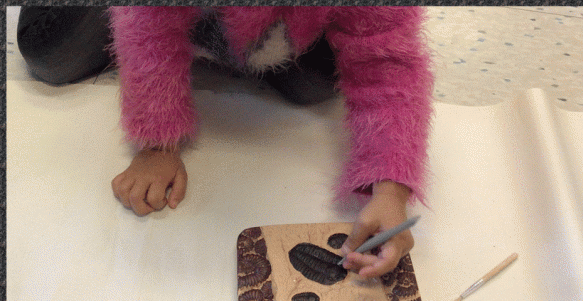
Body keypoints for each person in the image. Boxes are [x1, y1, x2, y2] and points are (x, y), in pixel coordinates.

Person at [18, 6, 435, 278]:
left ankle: (239, 43)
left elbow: (387, 64)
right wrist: (157, 145)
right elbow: (146, 26)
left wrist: (390, 187)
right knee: (49, 54)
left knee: (315, 85)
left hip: (262, 25)